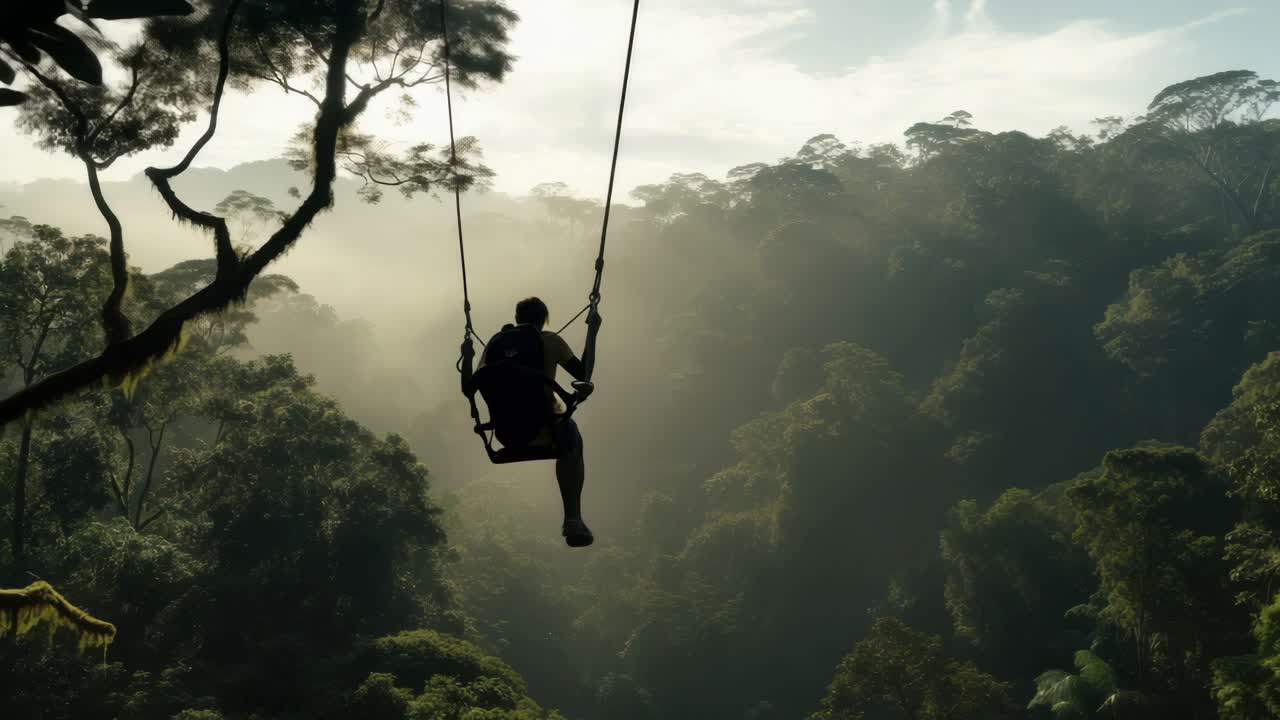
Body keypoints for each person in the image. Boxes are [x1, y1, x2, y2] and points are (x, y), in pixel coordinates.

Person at [459, 297, 600, 548]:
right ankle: (572, 518)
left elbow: (470, 387)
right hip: (547, 431)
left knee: (563, 431)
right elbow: (583, 373)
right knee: (572, 437)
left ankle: (573, 518)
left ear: (517, 319)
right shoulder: (551, 341)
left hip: (507, 435)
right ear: (543, 320)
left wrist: (467, 355)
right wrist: (593, 332)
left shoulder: (495, 345)